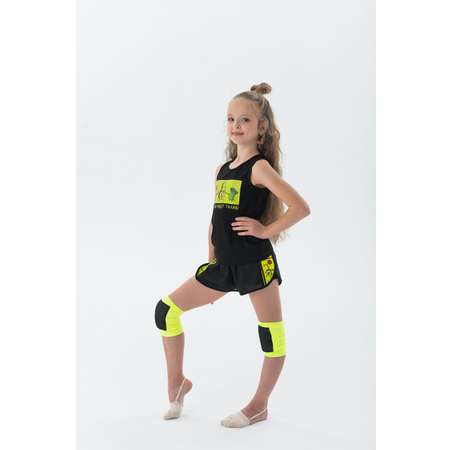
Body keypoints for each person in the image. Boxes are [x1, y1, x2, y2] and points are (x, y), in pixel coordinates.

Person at [154, 82, 311, 428]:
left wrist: (265, 230)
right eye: (230, 119)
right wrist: (211, 254)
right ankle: (176, 384)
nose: (236, 125)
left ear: (261, 127)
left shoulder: (259, 168)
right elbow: (216, 219)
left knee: (271, 336)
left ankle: (259, 405)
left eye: (245, 120)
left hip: (255, 264)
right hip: (223, 266)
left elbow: (300, 207)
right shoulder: (221, 170)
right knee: (166, 311)